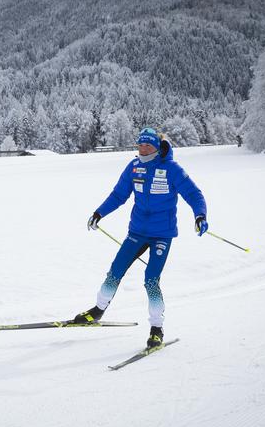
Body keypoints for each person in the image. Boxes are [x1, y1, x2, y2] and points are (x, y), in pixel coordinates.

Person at [74, 127, 208, 348]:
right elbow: (119, 195)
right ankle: (97, 310)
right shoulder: (134, 167)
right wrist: (99, 213)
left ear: (157, 146)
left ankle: (157, 329)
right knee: (115, 270)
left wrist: (200, 215)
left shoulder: (171, 168)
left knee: (151, 280)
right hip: (137, 231)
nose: (143, 148)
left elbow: (194, 194)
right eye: (140, 144)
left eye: (148, 145)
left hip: (161, 235)